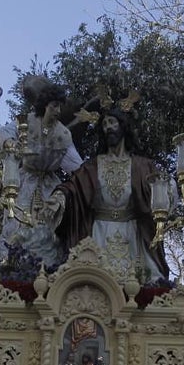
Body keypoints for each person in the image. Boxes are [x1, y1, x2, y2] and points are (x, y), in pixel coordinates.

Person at [50, 108, 170, 283]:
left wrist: (168, 187)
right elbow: (73, 187)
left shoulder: (142, 166)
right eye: (105, 124)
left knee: (143, 284)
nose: (108, 127)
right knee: (94, 284)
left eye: (112, 122)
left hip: (132, 233)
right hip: (98, 232)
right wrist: (59, 198)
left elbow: (160, 188)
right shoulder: (93, 166)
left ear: (123, 126)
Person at [0, 75, 85, 275]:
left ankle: (45, 272)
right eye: (54, 106)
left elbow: (76, 166)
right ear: (44, 105)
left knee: (47, 231)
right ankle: (11, 269)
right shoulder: (26, 122)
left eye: (60, 106)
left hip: (48, 187)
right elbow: (2, 132)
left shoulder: (63, 134)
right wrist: (12, 145)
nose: (58, 111)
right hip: (24, 182)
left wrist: (88, 177)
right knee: (16, 224)